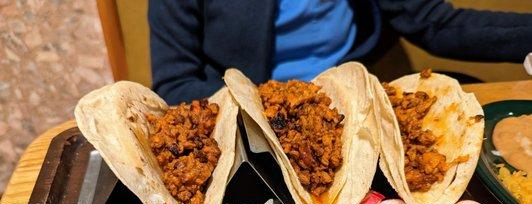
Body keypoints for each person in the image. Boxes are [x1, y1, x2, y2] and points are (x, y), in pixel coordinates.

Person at [148, 0, 532, 104]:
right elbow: (175, 84)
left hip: (359, 101)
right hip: (252, 119)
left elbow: (434, 22)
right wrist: (273, 104)